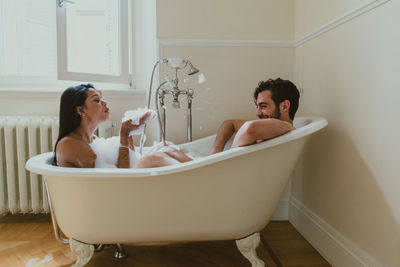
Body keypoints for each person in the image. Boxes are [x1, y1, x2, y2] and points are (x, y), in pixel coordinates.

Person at [54, 84, 192, 168]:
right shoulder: (69, 144)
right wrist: (124, 135)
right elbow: (118, 179)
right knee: (153, 158)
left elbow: (129, 160)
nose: (105, 102)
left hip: (122, 189)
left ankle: (203, 170)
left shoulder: (94, 141)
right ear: (81, 110)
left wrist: (130, 133)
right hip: (110, 198)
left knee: (166, 148)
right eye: (97, 100)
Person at [212, 78, 300, 154]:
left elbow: (250, 128)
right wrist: (216, 152)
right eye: (258, 107)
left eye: (263, 106)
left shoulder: (286, 127)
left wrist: (223, 161)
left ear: (284, 106)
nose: (257, 113)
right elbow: (229, 124)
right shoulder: (266, 128)